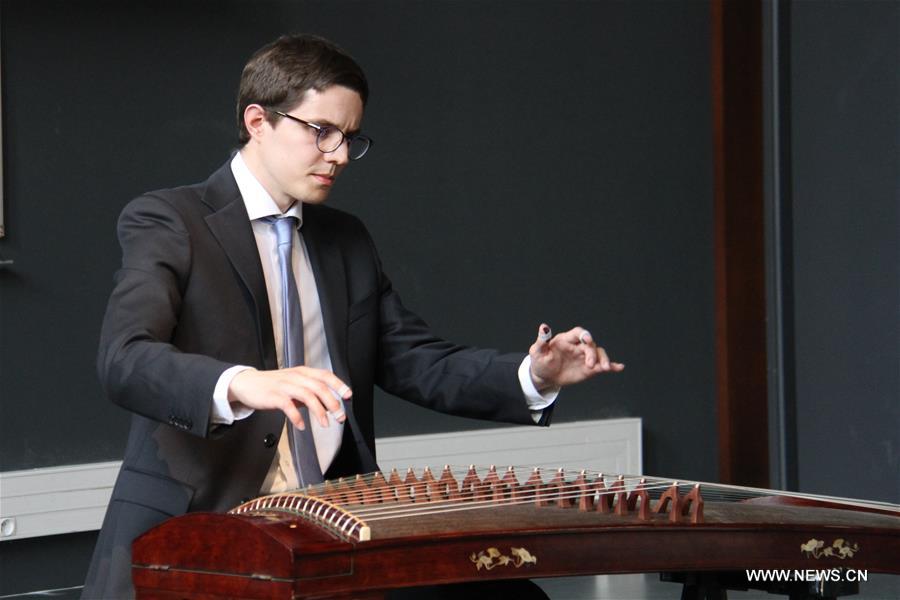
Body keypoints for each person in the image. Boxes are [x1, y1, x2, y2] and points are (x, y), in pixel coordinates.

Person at [81, 34, 624, 599]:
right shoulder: (169, 219)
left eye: (350, 137)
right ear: (258, 122)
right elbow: (125, 358)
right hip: (197, 536)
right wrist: (244, 383)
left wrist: (535, 375)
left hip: (327, 536)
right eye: (322, 131)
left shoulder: (346, 240)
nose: (339, 155)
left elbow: (414, 360)